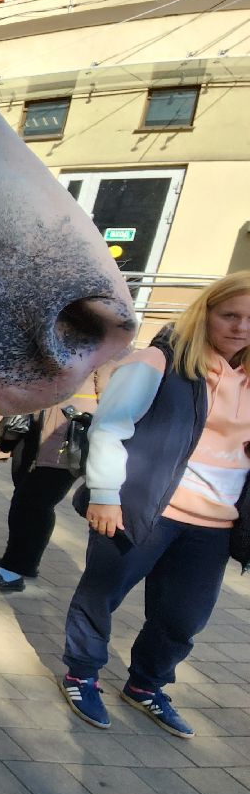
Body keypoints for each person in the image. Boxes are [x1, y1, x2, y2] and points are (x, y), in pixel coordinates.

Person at [59, 271, 250, 739]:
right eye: (230, 315)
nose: (240, 327)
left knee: (183, 617)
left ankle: (145, 686)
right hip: (143, 508)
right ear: (205, 313)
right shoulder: (158, 362)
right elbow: (109, 428)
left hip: (214, 523)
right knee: (101, 596)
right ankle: (81, 673)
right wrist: (104, 495)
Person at [0, 376, 103, 593]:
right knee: (22, 500)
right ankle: (14, 559)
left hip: (68, 441)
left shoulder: (109, 349)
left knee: (37, 503)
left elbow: (112, 401)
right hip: (33, 431)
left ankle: (15, 569)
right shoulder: (64, 343)